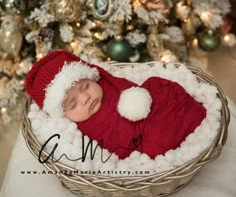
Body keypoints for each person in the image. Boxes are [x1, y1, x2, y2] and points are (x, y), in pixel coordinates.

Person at [25, 50, 206, 159]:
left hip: (150, 111)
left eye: (86, 86)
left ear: (92, 77)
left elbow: (132, 90)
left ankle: (189, 117)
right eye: (73, 104)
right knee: (156, 142)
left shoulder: (107, 85)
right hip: (139, 141)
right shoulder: (76, 131)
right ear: (63, 114)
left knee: (157, 86)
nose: (85, 98)